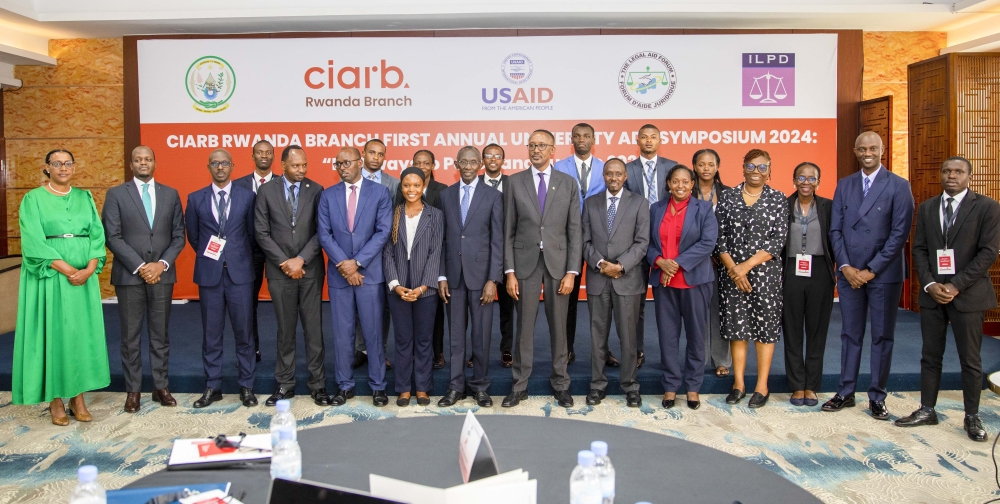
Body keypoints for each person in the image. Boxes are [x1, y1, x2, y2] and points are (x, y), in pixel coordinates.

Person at [896, 156, 999, 442]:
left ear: (969, 175)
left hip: (968, 295)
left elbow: (988, 253)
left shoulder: (988, 207)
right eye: (946, 171)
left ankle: (972, 416)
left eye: (958, 171)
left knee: (970, 359)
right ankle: (927, 409)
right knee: (930, 356)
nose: (951, 175)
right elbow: (919, 250)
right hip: (932, 296)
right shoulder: (928, 207)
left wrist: (955, 285)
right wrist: (929, 284)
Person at [13, 149, 109, 425]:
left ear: (74, 167)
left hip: (83, 277)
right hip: (51, 275)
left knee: (78, 335)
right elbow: (32, 240)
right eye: (57, 163)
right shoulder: (33, 199)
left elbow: (96, 233)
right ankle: (55, 399)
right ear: (47, 168)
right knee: (53, 333)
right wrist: (68, 269)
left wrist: (89, 268)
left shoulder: (84, 196)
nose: (63, 168)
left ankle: (78, 396)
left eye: (68, 163)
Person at [825, 131, 914, 420]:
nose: (867, 152)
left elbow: (900, 233)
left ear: (882, 150)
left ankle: (877, 396)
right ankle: (845, 391)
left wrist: (871, 269)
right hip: (850, 272)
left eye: (873, 148)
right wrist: (847, 267)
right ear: (854, 150)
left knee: (882, 335)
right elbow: (834, 230)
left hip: (883, 274)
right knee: (850, 333)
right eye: (862, 148)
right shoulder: (844, 184)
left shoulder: (899, 186)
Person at [102, 145, 185, 413]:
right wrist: (140, 266)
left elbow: (178, 236)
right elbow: (112, 236)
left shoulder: (170, 194)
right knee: (130, 336)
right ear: (131, 164)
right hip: (129, 275)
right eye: (138, 159)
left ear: (155, 162)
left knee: (160, 335)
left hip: (162, 274)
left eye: (148, 159)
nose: (143, 163)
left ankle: (161, 387)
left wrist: (160, 265)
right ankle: (133, 391)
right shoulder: (116, 194)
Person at [502, 129, 582, 408]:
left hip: (559, 267)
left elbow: (575, 231)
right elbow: (508, 232)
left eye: (542, 145)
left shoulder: (568, 183)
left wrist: (572, 272)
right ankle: (519, 385)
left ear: (553, 150)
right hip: (524, 266)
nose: (536, 149)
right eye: (532, 145)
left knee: (559, 328)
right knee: (523, 328)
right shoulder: (514, 182)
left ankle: (561, 384)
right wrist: (509, 271)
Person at [254, 145, 330, 407]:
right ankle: (285, 384)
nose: (302, 170)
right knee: (285, 331)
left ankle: (318, 385)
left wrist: (301, 259)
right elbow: (261, 232)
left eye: (304, 165)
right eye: (296, 166)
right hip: (280, 271)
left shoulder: (317, 190)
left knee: (313, 329)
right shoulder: (266, 191)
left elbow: (323, 230)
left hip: (309, 270)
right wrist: (285, 262)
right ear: (284, 165)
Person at [318, 146, 393, 407]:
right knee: (342, 334)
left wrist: (358, 263)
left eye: (346, 163)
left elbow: (383, 232)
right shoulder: (328, 196)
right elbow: (324, 234)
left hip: (368, 275)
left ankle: (378, 386)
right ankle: (344, 385)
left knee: (373, 333)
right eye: (338, 164)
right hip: (340, 276)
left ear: (360, 163)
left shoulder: (380, 192)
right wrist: (345, 265)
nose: (342, 168)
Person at [715, 149, 788, 409]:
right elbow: (719, 239)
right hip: (732, 275)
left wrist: (745, 267)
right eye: (751, 166)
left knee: (765, 331)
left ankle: (761, 386)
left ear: (770, 170)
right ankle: (738, 384)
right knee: (737, 329)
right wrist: (735, 270)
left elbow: (777, 241)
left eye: (762, 167)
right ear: (743, 168)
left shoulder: (778, 199)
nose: (756, 171)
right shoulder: (728, 197)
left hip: (765, 276)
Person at [186, 149, 258, 408]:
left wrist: (234, 254)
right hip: (210, 274)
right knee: (211, 334)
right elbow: (194, 238)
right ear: (208, 167)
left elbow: (252, 234)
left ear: (232, 166)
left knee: (244, 333)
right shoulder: (195, 199)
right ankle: (212, 385)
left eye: (224, 163)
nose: (220, 167)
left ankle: (247, 385)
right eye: (215, 163)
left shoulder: (248, 197)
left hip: (240, 273)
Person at [438, 147, 503, 408]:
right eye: (462, 162)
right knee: (455, 338)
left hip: (481, 278)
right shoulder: (445, 195)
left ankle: (480, 387)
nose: (467, 166)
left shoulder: (493, 196)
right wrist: (441, 275)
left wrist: (493, 279)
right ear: (456, 164)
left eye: (472, 161)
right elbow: (441, 239)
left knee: (481, 335)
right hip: (452, 277)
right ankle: (455, 387)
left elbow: (497, 240)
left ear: (480, 164)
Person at [648, 165, 717, 410]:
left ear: (692, 185)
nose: (680, 186)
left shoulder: (704, 209)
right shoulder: (656, 209)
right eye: (675, 181)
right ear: (668, 184)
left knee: (696, 336)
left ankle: (693, 387)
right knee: (667, 337)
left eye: (685, 182)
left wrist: (675, 265)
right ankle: (670, 386)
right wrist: (659, 261)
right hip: (663, 282)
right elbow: (645, 242)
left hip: (694, 280)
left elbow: (708, 243)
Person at [582, 158, 648, 408]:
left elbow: (642, 242)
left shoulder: (639, 203)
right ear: (603, 175)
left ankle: (630, 386)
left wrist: (620, 265)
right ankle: (597, 385)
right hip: (598, 280)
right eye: (609, 174)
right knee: (597, 336)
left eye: (618, 174)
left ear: (625, 177)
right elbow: (584, 241)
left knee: (628, 337)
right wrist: (601, 264)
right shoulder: (590, 204)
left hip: (627, 279)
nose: (613, 178)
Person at [554, 123, 614, 366]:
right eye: (577, 136)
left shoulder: (604, 168)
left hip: (598, 241)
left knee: (604, 298)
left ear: (594, 139)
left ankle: (604, 349)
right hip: (567, 240)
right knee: (567, 299)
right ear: (571, 140)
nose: (582, 140)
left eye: (586, 136)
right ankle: (566, 349)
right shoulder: (560, 167)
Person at [383, 167, 444, 406]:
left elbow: (435, 252)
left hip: (425, 290)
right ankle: (403, 388)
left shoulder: (435, 215)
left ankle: (422, 387)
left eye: (416, 185)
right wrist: (396, 285)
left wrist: (422, 287)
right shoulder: (392, 213)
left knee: (423, 340)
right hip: (398, 289)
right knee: (402, 339)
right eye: (407, 185)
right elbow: (387, 253)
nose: (411, 189)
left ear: (423, 187)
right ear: (401, 187)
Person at [624, 124, 678, 369]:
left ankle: (671, 355)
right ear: (637, 140)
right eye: (644, 137)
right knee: (636, 302)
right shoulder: (627, 170)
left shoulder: (672, 168)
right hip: (635, 242)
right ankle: (636, 350)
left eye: (653, 137)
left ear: (660, 139)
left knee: (668, 303)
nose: (648, 140)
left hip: (665, 244)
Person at [781, 162, 834, 407]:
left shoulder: (828, 207)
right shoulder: (782, 206)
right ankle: (796, 385)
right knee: (792, 330)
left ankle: (811, 385)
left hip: (820, 270)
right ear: (794, 180)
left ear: (818, 182)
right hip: (790, 269)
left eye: (811, 178)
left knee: (816, 330)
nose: (806, 182)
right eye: (801, 177)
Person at [353, 138, 396, 371]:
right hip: (356, 254)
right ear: (363, 154)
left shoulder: (393, 183)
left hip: (384, 253)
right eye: (372, 153)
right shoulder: (353, 179)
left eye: (381, 154)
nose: (376, 158)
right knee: (359, 304)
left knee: (383, 306)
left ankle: (380, 350)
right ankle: (362, 348)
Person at [233, 139, 277, 363]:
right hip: (249, 253)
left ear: (273, 156)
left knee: (284, 304)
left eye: (268, 152)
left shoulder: (283, 182)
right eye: (259, 152)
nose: (264, 156)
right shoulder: (237, 185)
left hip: (279, 254)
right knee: (248, 304)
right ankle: (252, 349)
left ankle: (285, 352)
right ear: (252, 156)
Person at [692, 148, 732, 378]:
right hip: (696, 262)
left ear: (717, 166)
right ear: (694, 166)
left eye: (710, 164)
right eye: (701, 164)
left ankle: (721, 360)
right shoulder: (686, 192)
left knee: (721, 311)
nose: (706, 168)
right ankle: (698, 359)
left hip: (722, 262)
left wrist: (722, 255)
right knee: (697, 313)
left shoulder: (727, 194)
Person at [410, 149, 450, 370]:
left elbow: (444, 226)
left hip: (434, 255)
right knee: (412, 308)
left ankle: (437, 352)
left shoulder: (441, 191)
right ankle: (416, 352)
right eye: (418, 162)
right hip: (409, 258)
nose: (422, 166)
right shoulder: (403, 188)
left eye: (426, 163)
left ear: (433, 166)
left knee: (434, 309)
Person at [480, 143, 515, 369]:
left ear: (504, 160)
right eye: (489, 156)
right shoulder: (474, 183)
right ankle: (478, 351)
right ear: (483, 160)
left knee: (507, 306)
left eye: (498, 156)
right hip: (482, 255)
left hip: (510, 252)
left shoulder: (514, 184)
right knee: (480, 307)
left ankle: (507, 349)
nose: (493, 159)